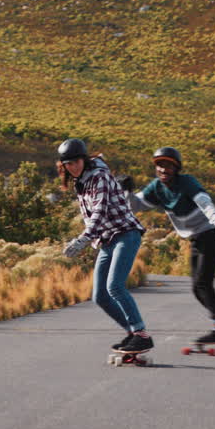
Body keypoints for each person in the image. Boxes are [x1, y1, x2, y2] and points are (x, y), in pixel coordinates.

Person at [129, 146, 215, 344]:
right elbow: (135, 205)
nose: (163, 170)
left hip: (212, 233)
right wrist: (126, 191)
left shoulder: (187, 182)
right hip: (196, 237)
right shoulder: (156, 187)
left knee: (202, 284)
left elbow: (205, 202)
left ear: (177, 168)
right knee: (197, 287)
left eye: (168, 165)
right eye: (160, 165)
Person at [57, 138, 154, 353]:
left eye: (76, 162)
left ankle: (141, 335)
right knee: (99, 296)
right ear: (63, 165)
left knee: (115, 287)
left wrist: (82, 239)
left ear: (84, 159)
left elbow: (99, 212)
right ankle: (132, 334)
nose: (73, 167)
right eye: (68, 164)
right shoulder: (80, 182)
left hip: (125, 234)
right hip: (106, 240)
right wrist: (91, 238)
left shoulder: (99, 177)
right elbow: (89, 216)